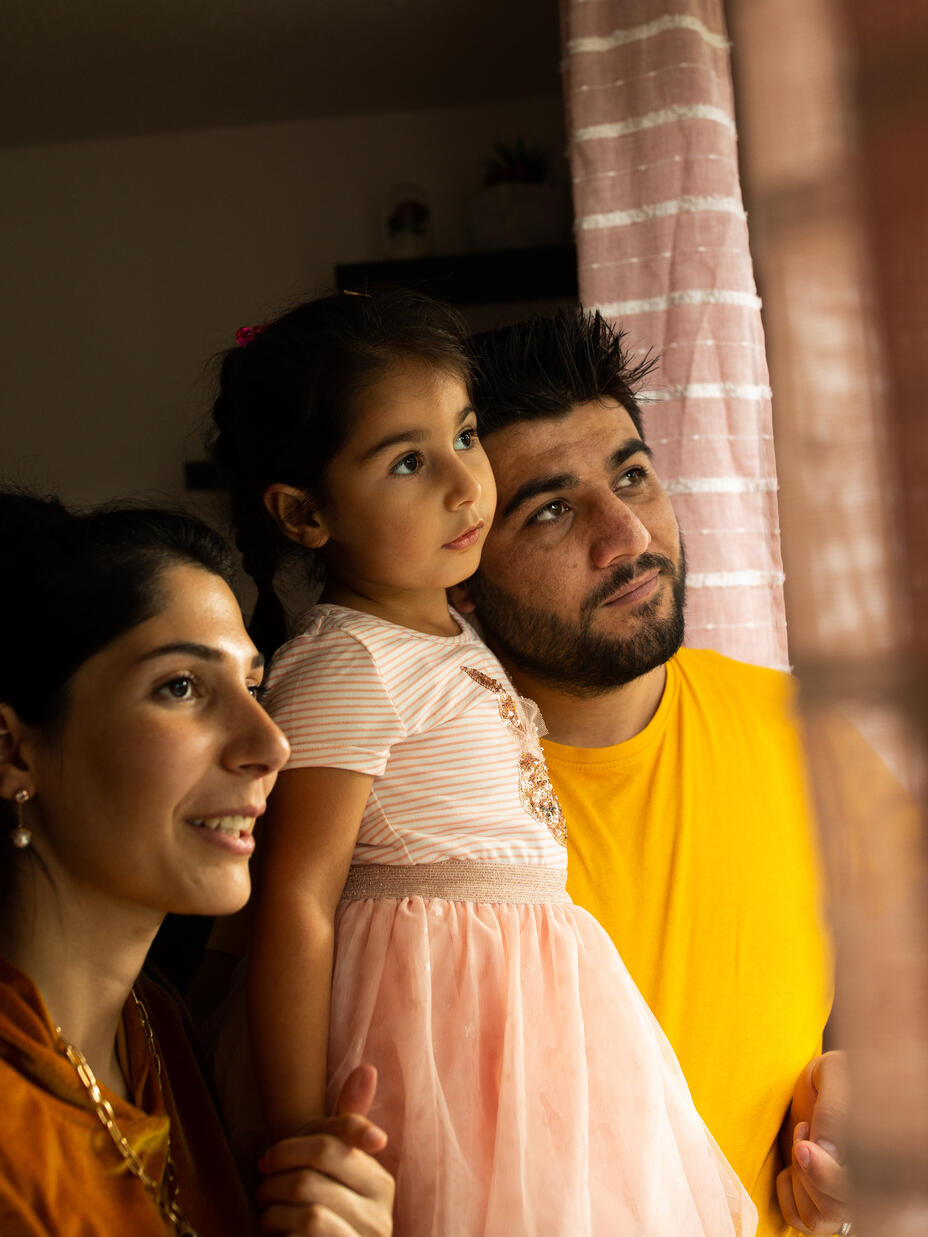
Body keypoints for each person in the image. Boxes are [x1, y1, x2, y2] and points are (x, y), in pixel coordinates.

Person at [207, 288, 757, 1236]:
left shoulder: (453, 637)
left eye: (465, 437)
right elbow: (295, 899)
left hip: (537, 1028)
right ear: (304, 514)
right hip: (435, 1035)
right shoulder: (347, 660)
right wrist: (303, 1137)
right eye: (410, 462)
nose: (468, 486)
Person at [450, 309, 850, 1237]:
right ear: (459, 569)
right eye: (551, 509)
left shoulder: (805, 731)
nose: (625, 533)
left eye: (631, 475)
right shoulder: (402, 796)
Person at [0, 491, 394, 1237]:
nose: (272, 744)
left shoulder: (160, 1031)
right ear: (14, 750)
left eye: (252, 686)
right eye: (181, 686)